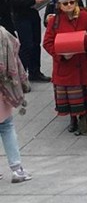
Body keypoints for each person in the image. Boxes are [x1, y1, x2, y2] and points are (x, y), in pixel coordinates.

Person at [42, 0, 87, 136]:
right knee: (72, 97)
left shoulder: (86, 16)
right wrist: (61, 55)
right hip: (66, 66)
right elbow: (47, 43)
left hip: (84, 63)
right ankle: (73, 119)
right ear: (60, 5)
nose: (69, 5)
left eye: (72, 2)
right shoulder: (54, 21)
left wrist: (86, 41)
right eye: (65, 3)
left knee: (86, 95)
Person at [2, 0, 49, 81]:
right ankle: (21, 76)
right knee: (26, 45)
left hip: (32, 11)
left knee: (35, 42)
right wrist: (33, 0)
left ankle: (35, 72)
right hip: (21, 15)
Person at [0, 24, 32, 183]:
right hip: (2, 89)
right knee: (6, 126)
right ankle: (17, 169)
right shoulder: (2, 33)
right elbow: (14, 47)